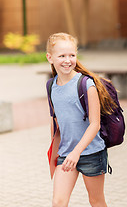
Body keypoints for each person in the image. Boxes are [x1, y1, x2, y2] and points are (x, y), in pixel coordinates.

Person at [46, 33, 115, 207]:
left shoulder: (86, 84)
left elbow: (95, 124)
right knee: (58, 202)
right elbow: (56, 122)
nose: (67, 60)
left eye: (72, 55)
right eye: (62, 56)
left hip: (91, 154)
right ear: (50, 58)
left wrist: (77, 152)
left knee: (96, 201)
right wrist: (56, 152)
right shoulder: (51, 86)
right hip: (66, 154)